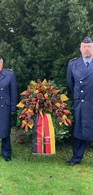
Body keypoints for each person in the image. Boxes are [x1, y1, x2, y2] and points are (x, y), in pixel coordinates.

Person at [66, 36, 93, 166]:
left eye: (89, 46)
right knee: (78, 132)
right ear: (80, 48)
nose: (87, 49)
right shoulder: (73, 64)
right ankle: (76, 158)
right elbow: (70, 84)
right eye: (84, 46)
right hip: (80, 103)